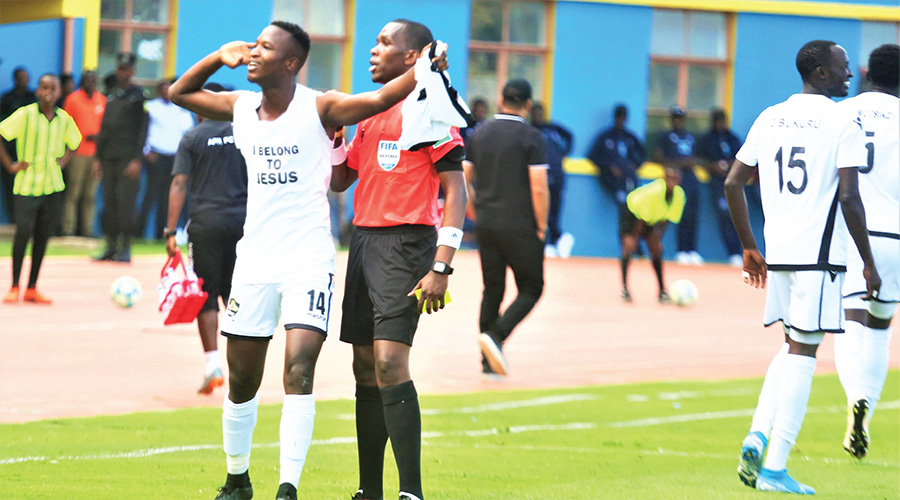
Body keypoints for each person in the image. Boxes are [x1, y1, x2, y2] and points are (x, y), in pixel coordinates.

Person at [168, 20, 448, 500]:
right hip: (254, 261)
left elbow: (382, 98)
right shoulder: (240, 107)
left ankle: (288, 487)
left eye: (266, 48)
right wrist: (218, 56)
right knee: (242, 380)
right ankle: (237, 480)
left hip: (308, 262)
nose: (254, 53)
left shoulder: (321, 106)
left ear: (291, 63)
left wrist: (426, 66)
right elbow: (179, 93)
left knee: (298, 369)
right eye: (254, 46)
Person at [725, 39, 880, 495]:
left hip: (779, 253)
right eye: (843, 66)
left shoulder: (770, 116)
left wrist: (749, 247)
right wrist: (868, 261)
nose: (850, 74)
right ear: (820, 72)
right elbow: (849, 196)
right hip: (820, 256)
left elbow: (733, 182)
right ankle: (774, 468)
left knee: (792, 344)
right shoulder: (843, 120)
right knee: (804, 354)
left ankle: (758, 434)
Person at [329, 20, 467, 500]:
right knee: (364, 366)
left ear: (412, 57)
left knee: (390, 362)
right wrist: (332, 136)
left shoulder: (429, 107)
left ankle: (411, 492)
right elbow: (340, 179)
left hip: (407, 244)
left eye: (385, 43)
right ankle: (370, 491)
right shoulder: (369, 113)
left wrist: (441, 266)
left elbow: (456, 191)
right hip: (363, 243)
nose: (373, 50)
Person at [832, 43, 899, 461]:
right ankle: (863, 418)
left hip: (850, 230)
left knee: (849, 319)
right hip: (895, 235)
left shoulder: (842, 112)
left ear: (866, 72)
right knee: (880, 326)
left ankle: (854, 395)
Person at [165, 82, 247, 396]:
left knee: (207, 294)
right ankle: (242, 368)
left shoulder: (192, 137)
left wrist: (170, 231)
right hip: (244, 222)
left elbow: (179, 183)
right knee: (238, 294)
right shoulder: (244, 133)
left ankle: (213, 365)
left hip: (206, 223)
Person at [463, 78, 548, 379]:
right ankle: (496, 336)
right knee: (532, 287)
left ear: (501, 100)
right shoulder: (532, 137)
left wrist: (474, 211)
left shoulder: (480, 133)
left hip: (486, 223)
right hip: (521, 225)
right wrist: (541, 226)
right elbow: (539, 188)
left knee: (493, 289)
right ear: (528, 104)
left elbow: (463, 178)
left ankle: (488, 362)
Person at [0, 74, 81, 304]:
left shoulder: (64, 119)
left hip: (52, 186)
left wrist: (63, 161)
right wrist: (10, 165)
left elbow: (75, 142)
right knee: (23, 232)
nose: (47, 93)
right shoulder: (25, 115)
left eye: (52, 89)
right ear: (37, 91)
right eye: (44, 88)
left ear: (58, 93)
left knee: (42, 236)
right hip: (26, 186)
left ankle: (32, 287)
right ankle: (15, 285)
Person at [93, 53, 148, 263]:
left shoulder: (139, 95)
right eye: (119, 68)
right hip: (109, 156)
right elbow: (104, 128)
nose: (122, 72)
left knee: (126, 203)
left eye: (126, 69)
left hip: (128, 158)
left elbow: (143, 130)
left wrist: (137, 159)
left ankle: (125, 247)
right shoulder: (111, 93)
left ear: (132, 71)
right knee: (110, 203)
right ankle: (110, 245)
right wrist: (97, 158)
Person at [137, 78, 195, 240]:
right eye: (162, 90)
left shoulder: (181, 110)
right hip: (156, 156)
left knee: (166, 198)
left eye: (168, 90)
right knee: (149, 196)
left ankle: (160, 234)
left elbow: (188, 133)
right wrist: (146, 150)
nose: (165, 93)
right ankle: (138, 233)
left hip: (174, 158)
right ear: (158, 91)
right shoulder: (151, 107)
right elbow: (144, 129)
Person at [619, 167, 684, 303]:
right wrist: (635, 240)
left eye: (675, 179)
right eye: (669, 178)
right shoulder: (655, 191)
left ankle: (662, 291)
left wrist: (658, 239)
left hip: (651, 218)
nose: (672, 182)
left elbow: (667, 219)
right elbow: (641, 219)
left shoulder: (679, 195)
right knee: (629, 247)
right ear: (664, 178)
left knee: (656, 250)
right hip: (632, 213)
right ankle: (625, 289)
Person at [654, 105, 701, 265]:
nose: (678, 121)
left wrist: (691, 162)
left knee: (693, 215)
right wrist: (678, 163)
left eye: (680, 118)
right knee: (682, 214)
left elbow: (697, 157)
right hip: (677, 177)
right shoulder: (665, 136)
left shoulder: (690, 136)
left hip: (691, 178)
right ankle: (682, 250)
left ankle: (692, 250)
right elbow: (657, 157)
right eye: (675, 118)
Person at [696, 108, 743, 266]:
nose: (719, 124)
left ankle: (739, 252)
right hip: (717, 183)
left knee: (737, 216)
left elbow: (741, 158)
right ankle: (733, 253)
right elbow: (699, 159)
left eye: (722, 120)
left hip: (734, 183)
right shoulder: (706, 139)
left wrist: (729, 165)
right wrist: (713, 166)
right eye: (717, 121)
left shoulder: (732, 138)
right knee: (725, 215)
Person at [62, 71, 106, 237]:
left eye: (94, 80)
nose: (91, 83)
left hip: (96, 155)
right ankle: (68, 229)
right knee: (73, 193)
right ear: (82, 81)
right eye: (88, 80)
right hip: (77, 153)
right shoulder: (73, 99)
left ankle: (87, 230)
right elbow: (65, 124)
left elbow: (106, 126)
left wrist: (99, 137)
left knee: (90, 195)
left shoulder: (102, 100)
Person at [530, 101, 575, 258]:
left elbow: (569, 135)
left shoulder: (553, 128)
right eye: (535, 112)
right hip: (539, 176)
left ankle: (557, 239)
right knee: (540, 208)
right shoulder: (530, 130)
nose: (538, 115)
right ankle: (546, 242)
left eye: (540, 112)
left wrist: (564, 152)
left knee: (555, 208)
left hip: (557, 174)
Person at [587, 104, 645, 212]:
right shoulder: (606, 136)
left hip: (629, 178)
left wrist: (636, 165)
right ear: (615, 117)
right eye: (619, 117)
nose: (620, 120)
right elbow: (592, 155)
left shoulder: (630, 137)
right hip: (612, 179)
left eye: (623, 117)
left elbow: (642, 154)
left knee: (634, 207)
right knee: (623, 205)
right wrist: (609, 167)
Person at [0, 67, 37, 222]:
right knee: (10, 187)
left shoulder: (33, 97)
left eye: (26, 77)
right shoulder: (7, 98)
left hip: (30, 150)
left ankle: (28, 220)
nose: (24, 80)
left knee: (31, 187)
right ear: (15, 79)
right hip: (10, 149)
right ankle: (12, 220)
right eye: (21, 77)